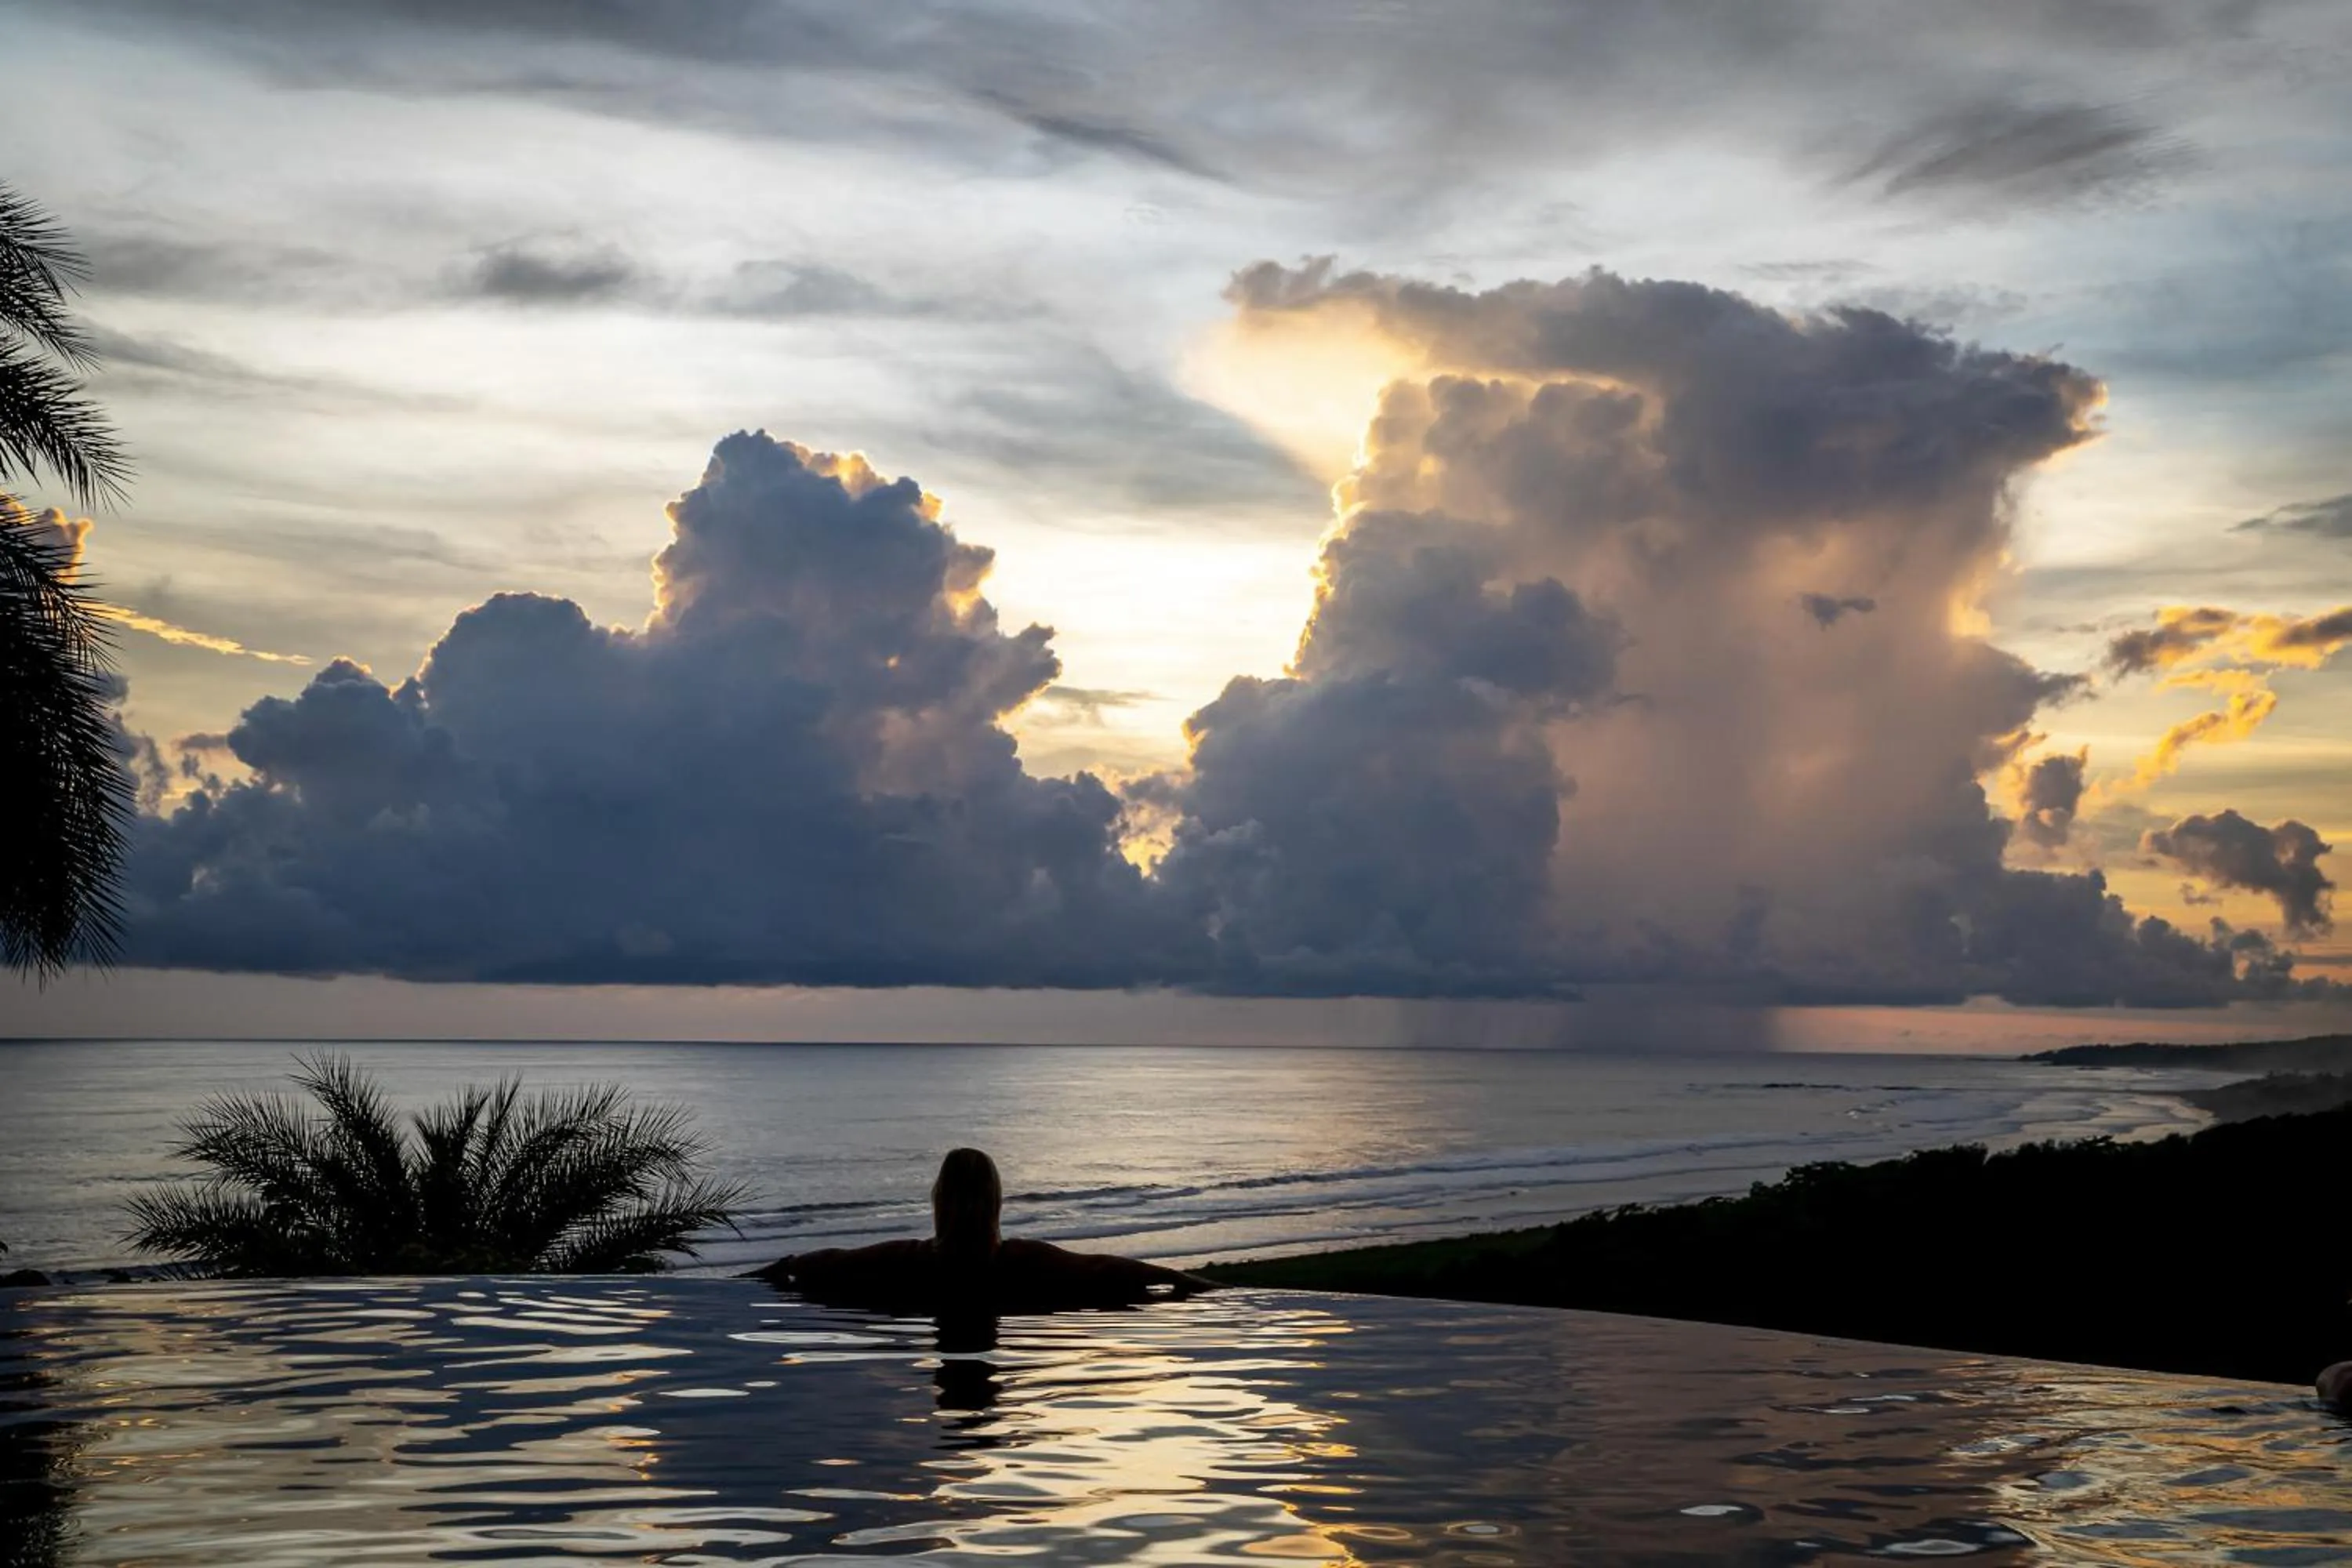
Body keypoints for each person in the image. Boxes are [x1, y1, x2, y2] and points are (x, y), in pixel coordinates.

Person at [753, 1148, 1213, 1312]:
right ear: (996, 1198)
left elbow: (825, 1263)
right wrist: (1182, 1279)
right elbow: (1108, 1268)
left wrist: (777, 1269)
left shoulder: (907, 1259)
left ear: (939, 1197)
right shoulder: (1025, 1261)